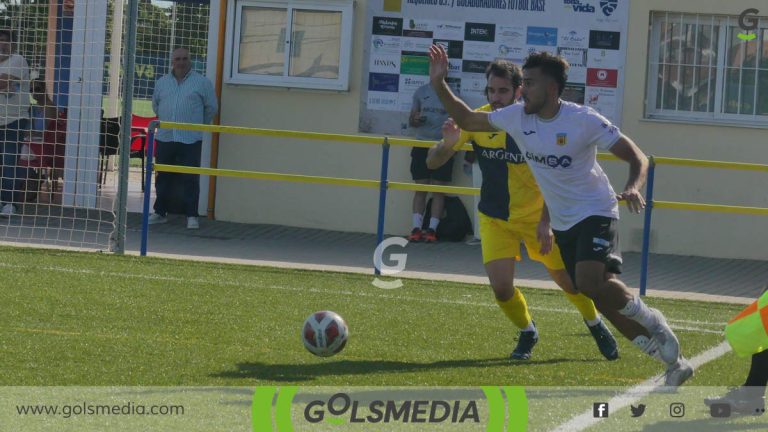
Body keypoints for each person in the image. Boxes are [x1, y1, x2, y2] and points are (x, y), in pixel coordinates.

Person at [427, 45, 693, 386]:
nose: (523, 90)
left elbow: (637, 157)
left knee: (586, 283)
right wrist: (439, 83)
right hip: (560, 220)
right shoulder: (516, 117)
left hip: (596, 209)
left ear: (551, 89)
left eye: (530, 83)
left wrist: (634, 187)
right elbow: (466, 119)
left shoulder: (583, 120)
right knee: (600, 293)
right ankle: (671, 364)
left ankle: (653, 321)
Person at [426, 61, 618, 361]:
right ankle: (528, 331)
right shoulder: (481, 120)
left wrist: (546, 222)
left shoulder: (531, 123)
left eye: (503, 91)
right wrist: (447, 145)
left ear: (520, 90)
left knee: (570, 282)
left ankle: (595, 324)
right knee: (501, 289)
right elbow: (432, 163)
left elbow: (557, 179)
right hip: (495, 218)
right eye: (491, 90)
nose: (496, 97)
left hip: (538, 218)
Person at [148, 47, 217, 230]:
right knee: (163, 176)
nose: (181, 62)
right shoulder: (162, 82)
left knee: (190, 178)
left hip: (190, 138)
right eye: (177, 59)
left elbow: (211, 107)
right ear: (172, 61)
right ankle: (160, 212)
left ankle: (192, 216)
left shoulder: (202, 82)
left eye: (185, 58)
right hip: (166, 136)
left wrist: (196, 125)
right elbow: (156, 105)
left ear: (190, 60)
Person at [407, 83, 451, 243]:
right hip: (421, 145)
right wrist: (415, 119)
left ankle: (432, 230)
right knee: (421, 188)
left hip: (443, 146)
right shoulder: (421, 91)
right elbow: (411, 121)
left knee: (438, 190)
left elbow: (459, 120)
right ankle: (416, 229)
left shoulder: (453, 93)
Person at [0, 29, 29, 216]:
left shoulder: (17, 60)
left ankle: (10, 204)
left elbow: (4, 82)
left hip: (14, 120)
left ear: (13, 45)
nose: (2, 44)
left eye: (6, 41)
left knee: (8, 162)